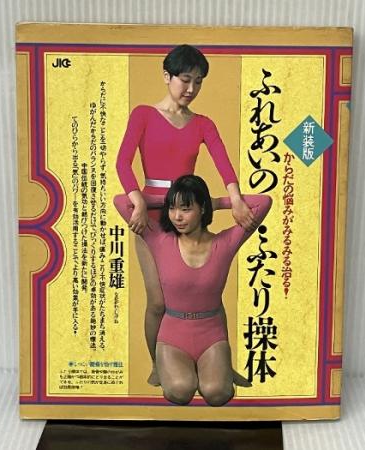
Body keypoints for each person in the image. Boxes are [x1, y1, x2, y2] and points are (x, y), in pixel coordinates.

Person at [116, 44, 256, 386]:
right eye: (185, 80)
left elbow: (223, 162)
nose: (191, 88)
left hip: (190, 217)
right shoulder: (143, 115)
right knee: (157, 302)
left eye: (198, 82)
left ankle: (222, 365)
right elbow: (122, 163)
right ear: (167, 77)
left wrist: (235, 199)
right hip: (152, 217)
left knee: (209, 295)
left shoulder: (203, 123)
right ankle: (158, 365)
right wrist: (137, 201)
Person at [114, 175, 272, 406]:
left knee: (217, 394)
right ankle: (168, 367)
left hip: (212, 335)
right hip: (172, 336)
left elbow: (264, 202)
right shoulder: (159, 239)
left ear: (202, 208)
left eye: (186, 209)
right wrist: (171, 199)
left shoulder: (226, 242)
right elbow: (121, 201)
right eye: (172, 208)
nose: (177, 216)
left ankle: (218, 370)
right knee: (180, 391)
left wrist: (216, 202)